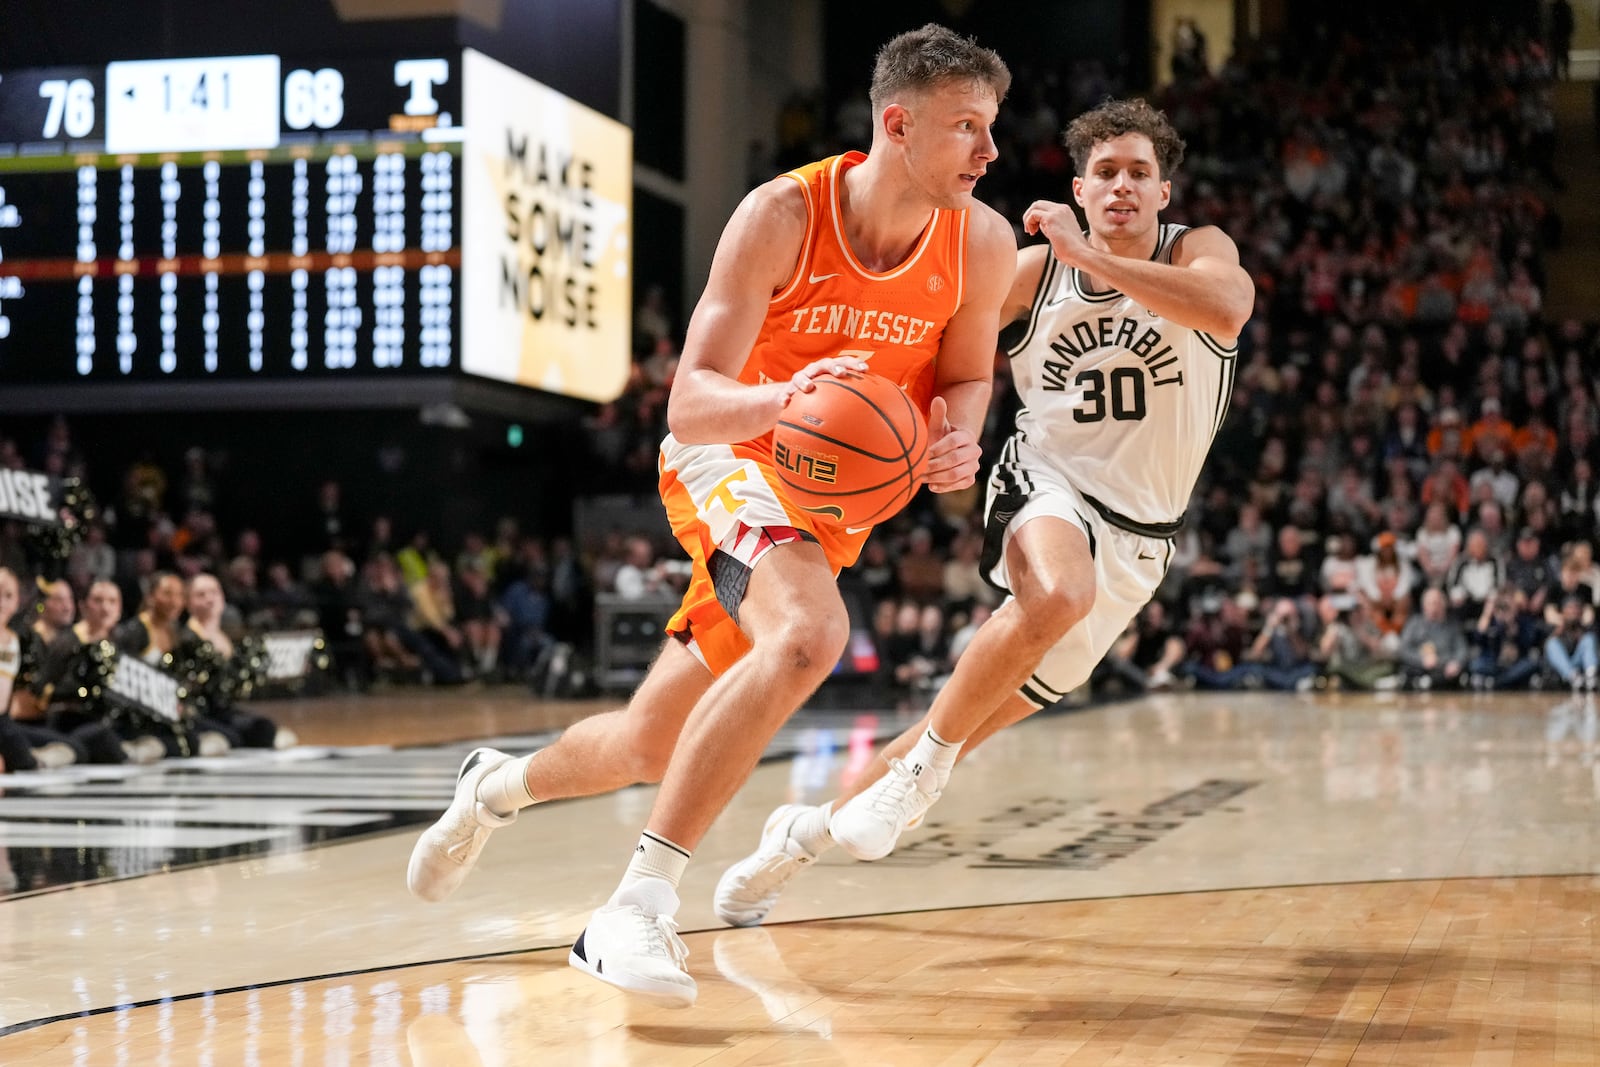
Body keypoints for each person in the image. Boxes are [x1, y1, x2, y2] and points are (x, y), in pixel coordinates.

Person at [404, 23, 1015, 1007]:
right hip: (727, 451)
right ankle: (633, 905)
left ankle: (493, 786)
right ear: (896, 123)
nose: (989, 152)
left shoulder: (980, 241)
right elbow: (690, 401)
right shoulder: (781, 215)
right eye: (968, 128)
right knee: (812, 633)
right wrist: (787, 399)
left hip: (825, 502)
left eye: (993, 128)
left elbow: (970, 374)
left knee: (653, 740)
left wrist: (957, 434)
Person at [714, 96, 1253, 925]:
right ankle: (923, 772)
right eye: (1104, 173)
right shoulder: (1032, 277)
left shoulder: (1200, 253)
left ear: (1164, 194)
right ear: (1078, 188)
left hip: (1142, 545)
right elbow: (927, 339)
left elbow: (1224, 309)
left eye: (1138, 174)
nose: (1121, 187)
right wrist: (845, 410)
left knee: (954, 725)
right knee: (1056, 594)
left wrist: (1090, 259)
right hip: (1044, 487)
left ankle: (799, 837)